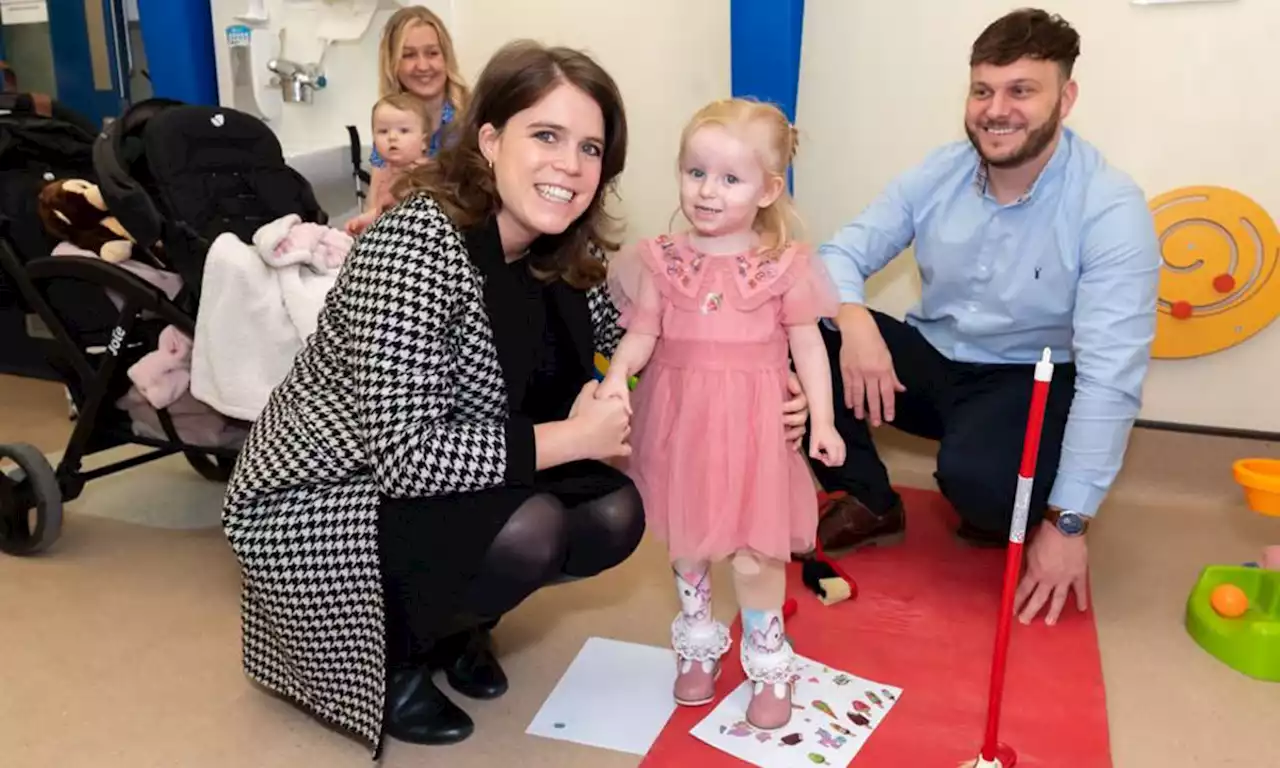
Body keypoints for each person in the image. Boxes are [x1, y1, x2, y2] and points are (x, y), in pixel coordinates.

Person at [221, 40, 812, 756]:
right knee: (532, 526)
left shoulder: (555, 249)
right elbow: (408, 457)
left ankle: (451, 623)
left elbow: (663, 344)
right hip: (323, 496)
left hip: (448, 475)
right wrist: (576, 439)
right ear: (491, 139)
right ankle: (396, 654)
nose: (571, 164)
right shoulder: (413, 244)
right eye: (547, 135)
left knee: (613, 511)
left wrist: (768, 387)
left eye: (590, 147)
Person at [809, 8, 1160, 627]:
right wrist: (853, 317)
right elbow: (839, 253)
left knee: (983, 483)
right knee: (799, 331)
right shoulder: (938, 170)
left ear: (1066, 97)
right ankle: (870, 498)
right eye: (982, 90)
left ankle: (997, 504)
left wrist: (1067, 524)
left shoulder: (1111, 208)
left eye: (1021, 90)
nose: (996, 109)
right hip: (936, 354)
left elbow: (1111, 380)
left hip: (1029, 376)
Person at [600, 98, 844, 730]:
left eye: (730, 179)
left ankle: (767, 659)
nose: (707, 192)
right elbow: (642, 335)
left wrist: (823, 419)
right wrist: (615, 383)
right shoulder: (662, 260)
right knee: (689, 542)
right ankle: (698, 641)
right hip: (680, 424)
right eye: (695, 172)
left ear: (768, 189)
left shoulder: (781, 266)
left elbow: (809, 344)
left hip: (756, 427)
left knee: (755, 552)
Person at [351, 6, 468, 235]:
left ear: (446, 57)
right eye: (409, 55)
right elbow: (376, 196)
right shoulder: (390, 123)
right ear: (392, 64)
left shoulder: (469, 119)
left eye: (432, 53)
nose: (423, 66)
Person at [345, 93, 431, 235]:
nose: (392, 137)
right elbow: (385, 211)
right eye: (383, 131)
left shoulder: (425, 174)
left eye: (404, 131)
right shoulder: (388, 171)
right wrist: (364, 220)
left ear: (424, 142)